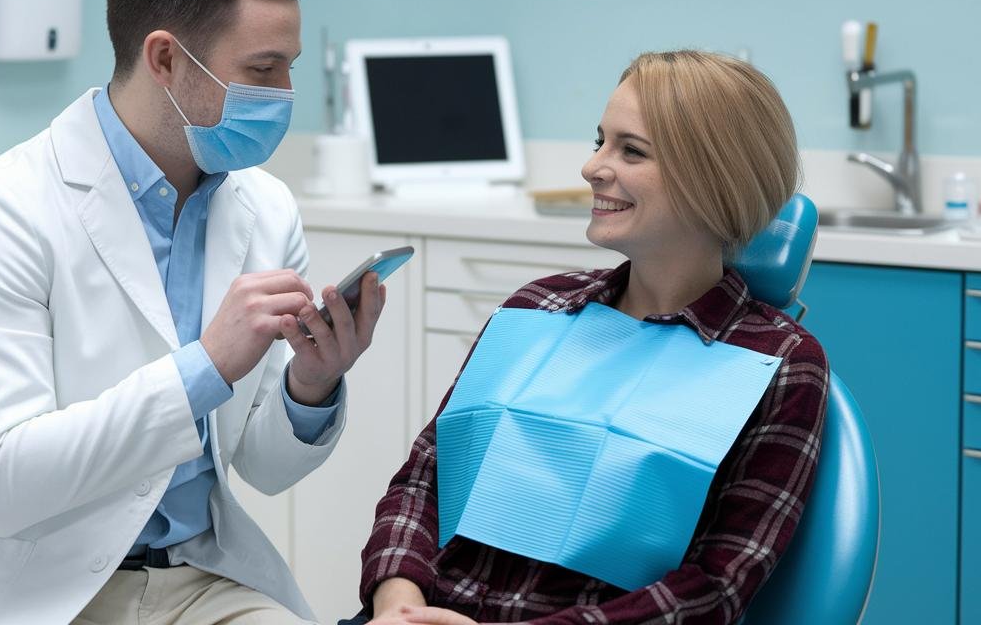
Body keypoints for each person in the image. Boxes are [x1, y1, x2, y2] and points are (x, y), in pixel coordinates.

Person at [0, 0, 386, 625]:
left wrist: (312, 385)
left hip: (199, 577)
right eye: (261, 69)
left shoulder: (265, 207)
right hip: (33, 588)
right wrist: (206, 366)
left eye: (290, 66)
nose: (284, 93)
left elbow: (263, 469)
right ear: (165, 58)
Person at [355, 51, 829, 625]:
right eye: (599, 141)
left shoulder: (777, 363)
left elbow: (716, 588)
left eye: (631, 151)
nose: (592, 167)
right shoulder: (537, 308)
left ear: (714, 177)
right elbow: (425, 478)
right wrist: (398, 603)